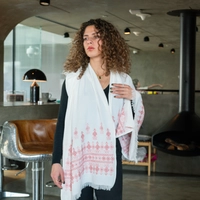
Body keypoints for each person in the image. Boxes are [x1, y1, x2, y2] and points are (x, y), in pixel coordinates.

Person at [51, 18, 144, 200]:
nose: (90, 42)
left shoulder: (123, 80)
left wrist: (134, 98)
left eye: (96, 37)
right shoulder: (72, 80)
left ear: (108, 41)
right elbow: (63, 121)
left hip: (109, 154)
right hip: (78, 154)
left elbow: (127, 122)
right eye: (86, 38)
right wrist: (56, 161)